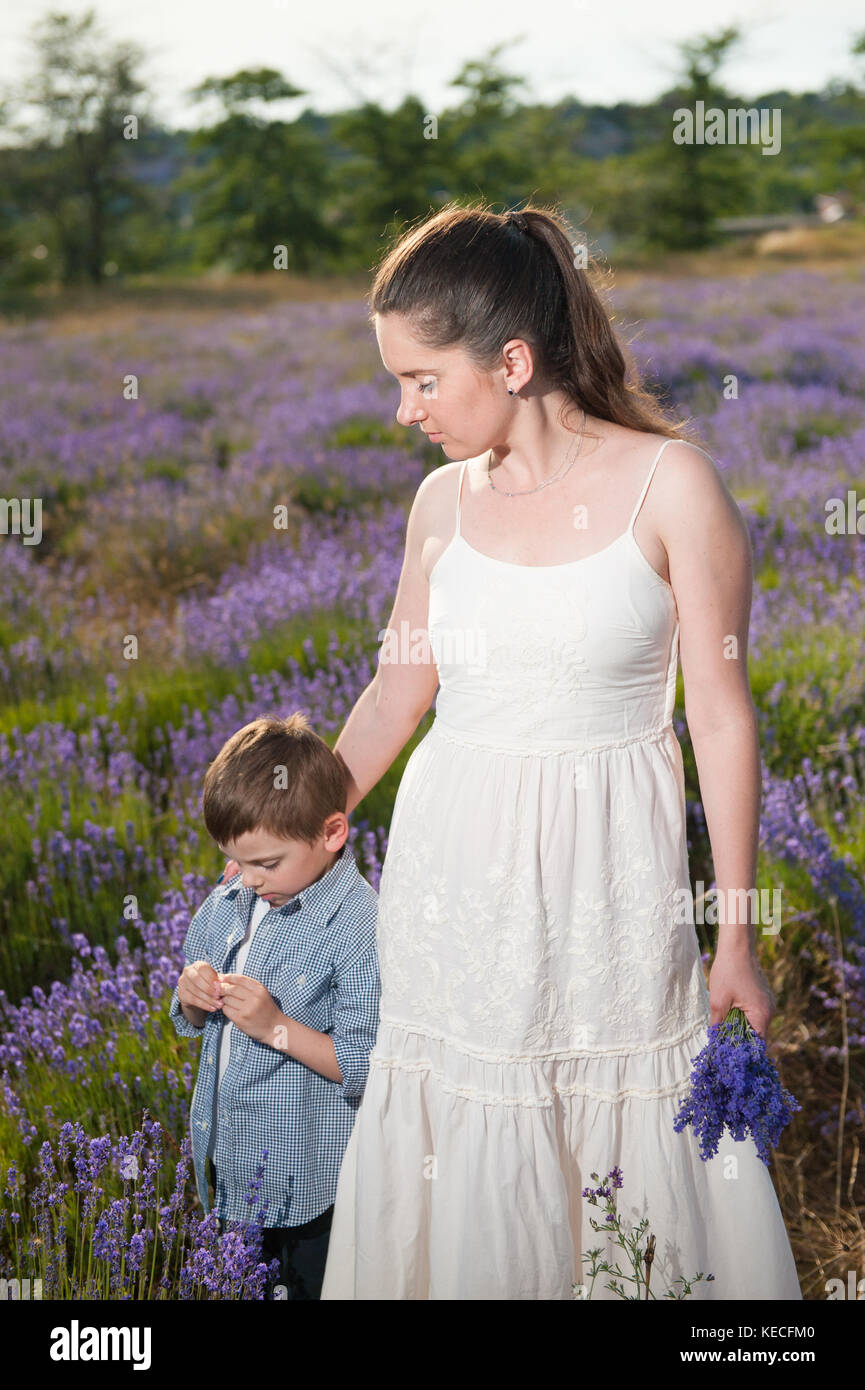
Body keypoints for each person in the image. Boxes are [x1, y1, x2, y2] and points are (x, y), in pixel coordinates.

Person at [169, 712, 380, 1300]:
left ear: (332, 833)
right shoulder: (233, 895)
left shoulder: (357, 924)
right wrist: (191, 998)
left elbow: (367, 1063)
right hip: (234, 1161)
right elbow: (193, 1022)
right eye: (237, 860)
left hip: (315, 1182)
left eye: (267, 864)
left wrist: (277, 1029)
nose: (250, 880)